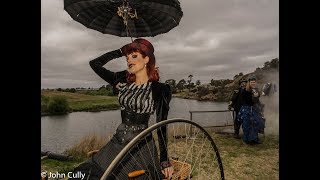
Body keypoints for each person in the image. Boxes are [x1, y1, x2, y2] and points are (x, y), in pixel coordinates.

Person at [72, 38, 174, 179]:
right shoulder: (122, 79)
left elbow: (161, 126)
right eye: (127, 58)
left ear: (146, 59)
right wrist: (120, 51)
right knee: (83, 175)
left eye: (134, 56)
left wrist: (164, 160)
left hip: (140, 147)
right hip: (117, 142)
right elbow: (94, 64)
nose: (128, 61)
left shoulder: (160, 89)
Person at [237, 74, 265, 145]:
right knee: (246, 125)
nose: (253, 83)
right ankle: (247, 140)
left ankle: (254, 139)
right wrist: (254, 97)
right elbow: (248, 101)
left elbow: (257, 101)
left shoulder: (256, 90)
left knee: (255, 124)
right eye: (252, 82)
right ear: (249, 83)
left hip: (254, 109)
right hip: (246, 109)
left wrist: (257, 99)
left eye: (254, 82)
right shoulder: (245, 91)